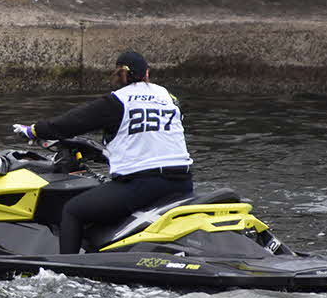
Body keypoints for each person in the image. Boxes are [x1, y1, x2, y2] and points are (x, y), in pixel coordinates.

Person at [12, 51, 193, 255]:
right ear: (147, 73)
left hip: (144, 185)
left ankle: (67, 270)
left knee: (73, 211)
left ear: (117, 75)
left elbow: (71, 123)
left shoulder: (118, 101)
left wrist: (34, 130)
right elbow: (152, 136)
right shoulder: (169, 97)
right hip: (183, 181)